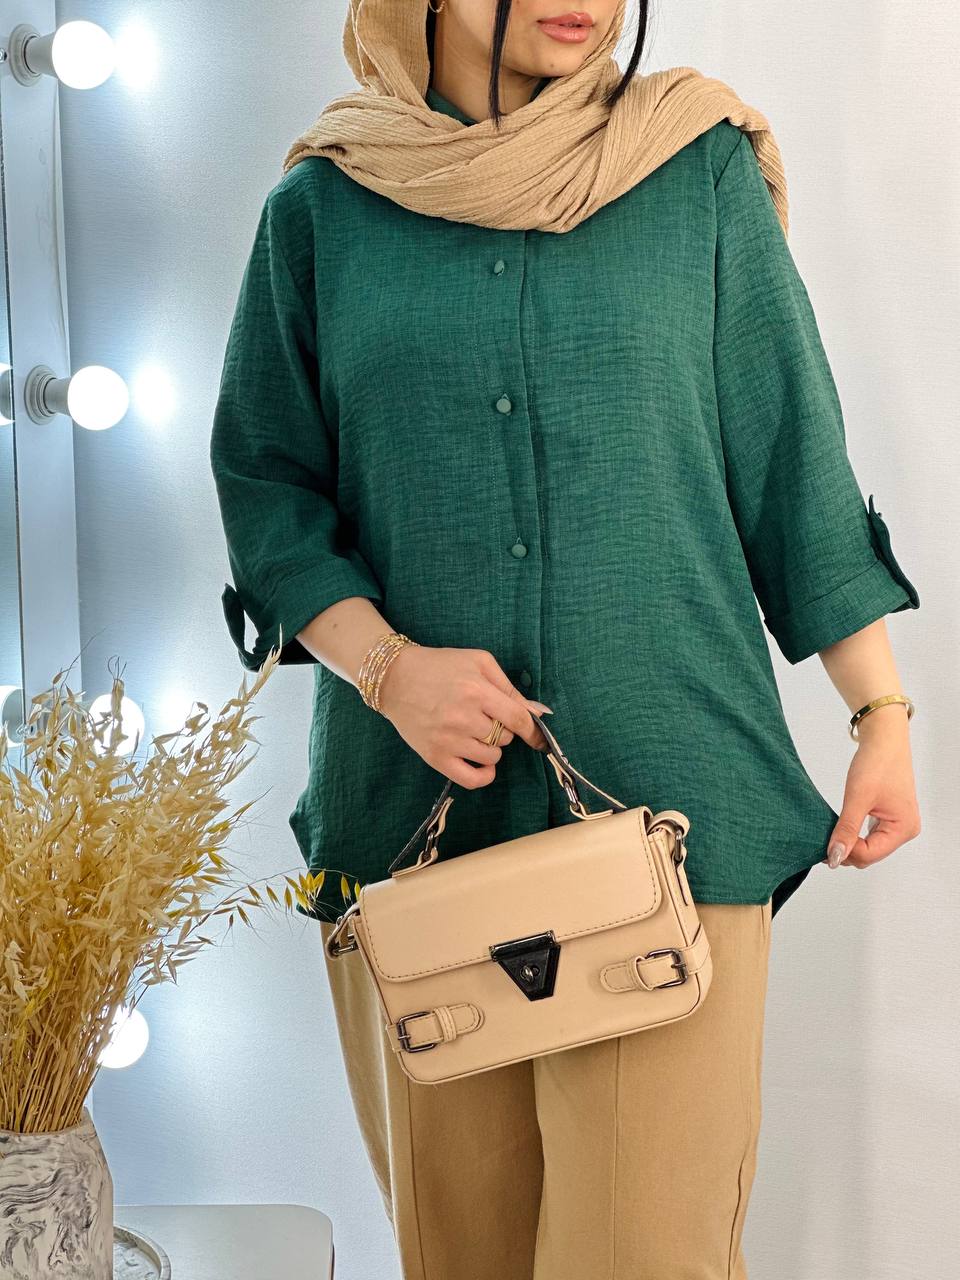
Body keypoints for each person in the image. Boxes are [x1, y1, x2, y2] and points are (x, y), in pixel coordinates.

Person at [209, 1, 922, 1275]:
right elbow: (269, 490)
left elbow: (792, 460)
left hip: (675, 804)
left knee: (649, 1252)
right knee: (461, 1255)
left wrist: (880, 711)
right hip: (416, 829)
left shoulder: (693, 170)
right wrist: (390, 671)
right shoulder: (325, 210)